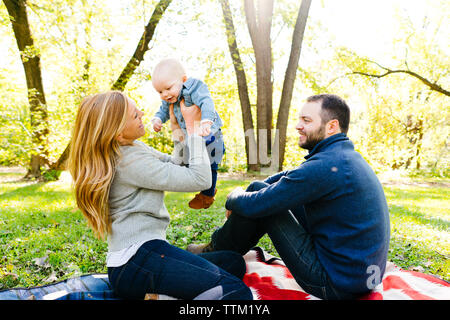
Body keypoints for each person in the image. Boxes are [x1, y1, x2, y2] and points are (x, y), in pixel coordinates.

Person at [188, 94, 391, 300]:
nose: (298, 126)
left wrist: (234, 196)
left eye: (306, 120)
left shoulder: (326, 165)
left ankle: (213, 252)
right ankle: (219, 250)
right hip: (360, 279)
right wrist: (253, 191)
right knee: (261, 191)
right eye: (300, 119)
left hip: (333, 284)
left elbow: (258, 203)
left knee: (261, 203)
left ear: (331, 126)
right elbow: (290, 176)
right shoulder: (340, 157)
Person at [68, 91, 252, 300]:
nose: (142, 113)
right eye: (135, 115)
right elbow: (200, 179)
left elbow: (176, 163)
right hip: (136, 263)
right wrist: (193, 130)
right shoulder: (127, 162)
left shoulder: (132, 147)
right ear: (118, 133)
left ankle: (159, 296)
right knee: (236, 292)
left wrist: (177, 129)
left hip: (144, 256)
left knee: (232, 262)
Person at [151, 58, 225, 210]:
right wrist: (157, 119)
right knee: (190, 163)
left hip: (211, 134)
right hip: (192, 137)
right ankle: (208, 189)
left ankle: (207, 195)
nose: (165, 94)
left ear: (183, 80)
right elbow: (163, 110)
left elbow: (206, 102)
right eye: (160, 92)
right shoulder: (169, 98)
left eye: (168, 88)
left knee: (211, 165)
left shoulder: (194, 87)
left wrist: (206, 121)